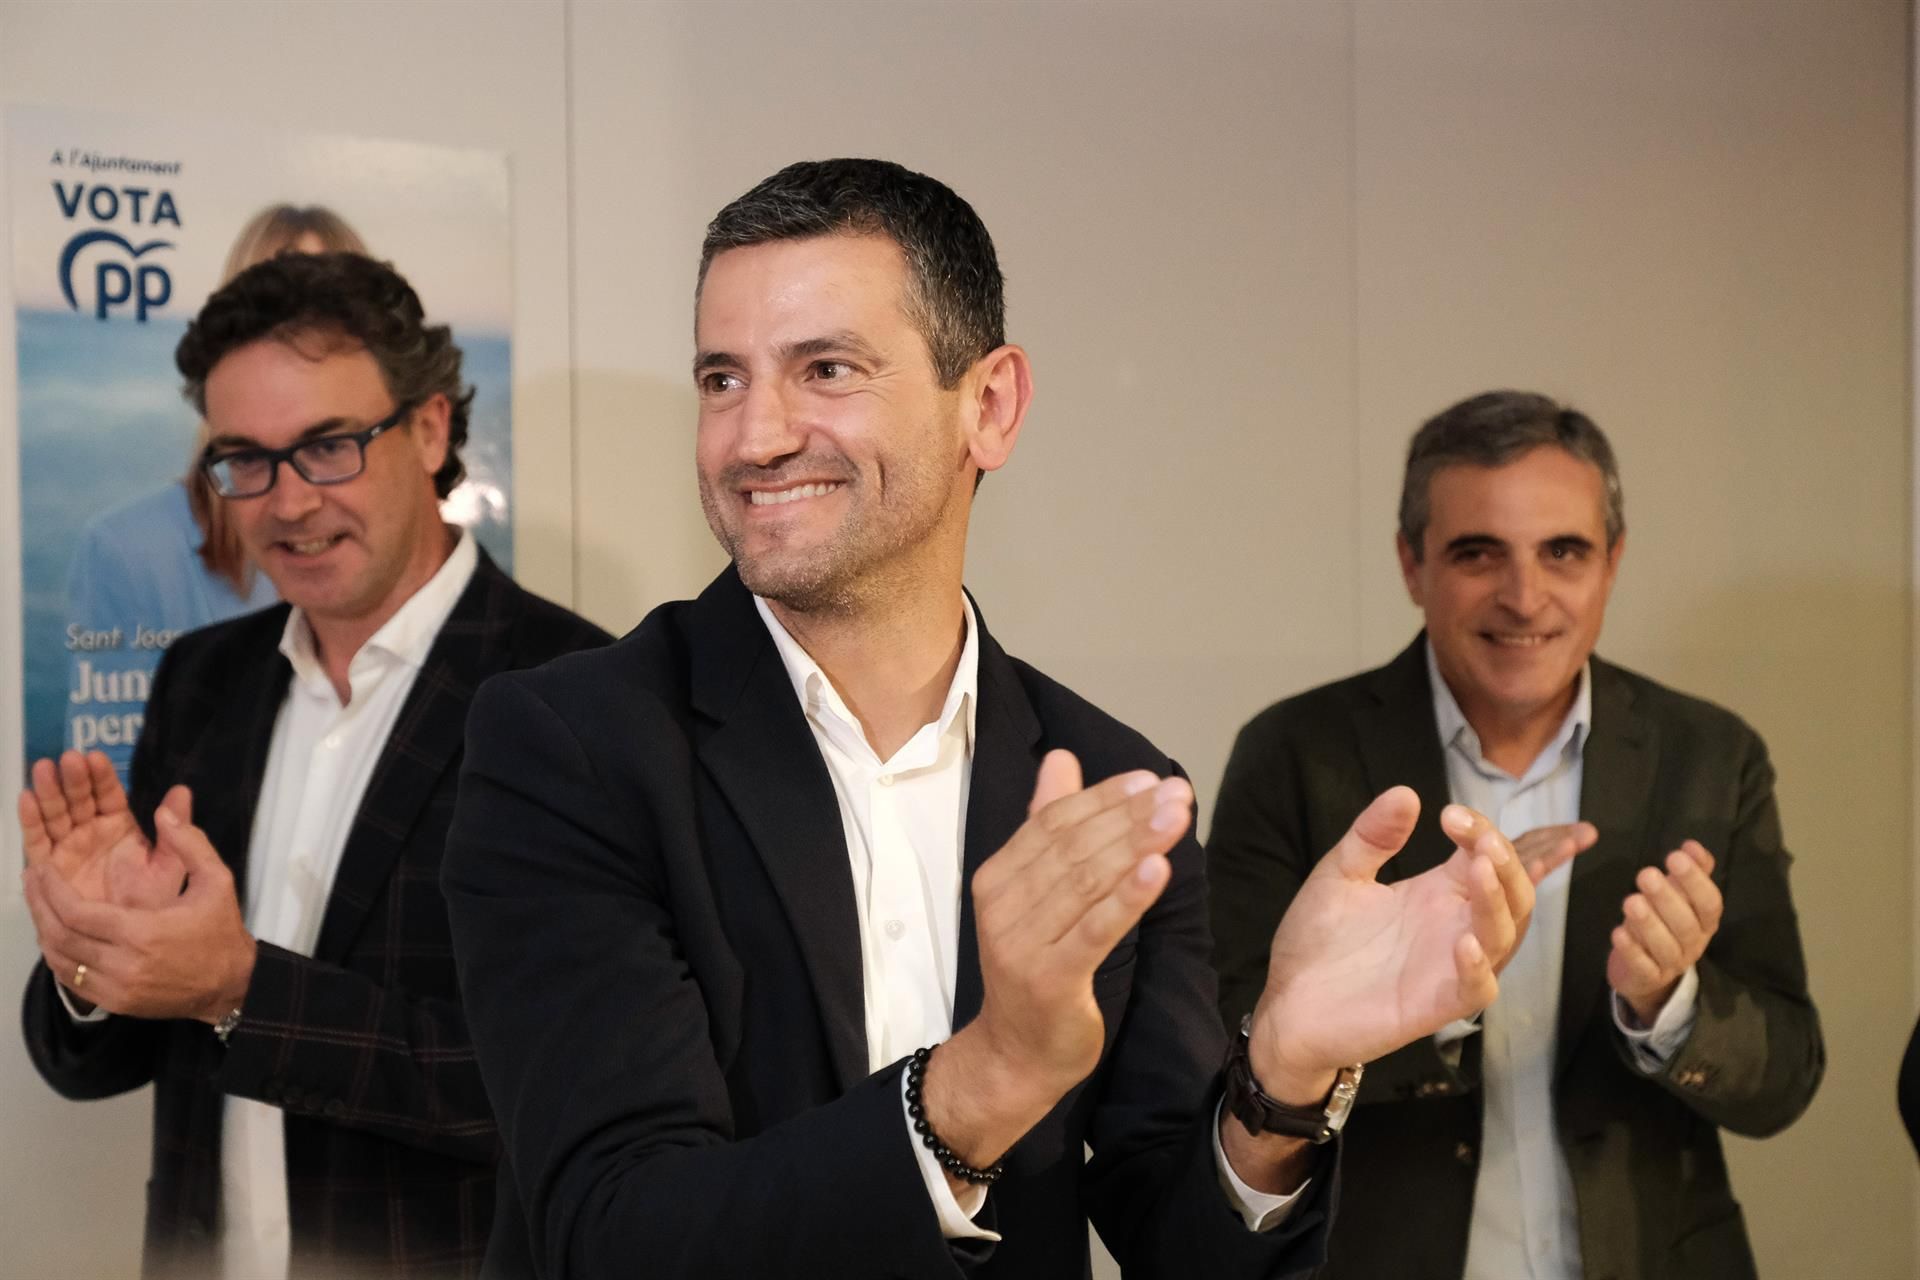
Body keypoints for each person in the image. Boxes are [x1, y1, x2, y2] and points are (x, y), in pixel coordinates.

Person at [443, 159, 1549, 1280]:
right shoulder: (570, 744)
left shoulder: (1113, 782)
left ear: (990, 404)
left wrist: (1284, 1076)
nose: (754, 435)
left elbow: (1188, 1247)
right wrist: (984, 1079)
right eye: (722, 378)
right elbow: (616, 1233)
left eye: (825, 369)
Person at [18, 251, 611, 1280]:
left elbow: (567, 1087)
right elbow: (93, 1059)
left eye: (328, 446)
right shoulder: (205, 679)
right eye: (243, 457)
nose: (286, 502)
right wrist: (95, 954)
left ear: (429, 429)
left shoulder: (578, 693)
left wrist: (239, 988)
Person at [1208, 390, 1824, 1280]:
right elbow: (1230, 1053)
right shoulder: (1298, 756)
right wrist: (1439, 989)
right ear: (1411, 564)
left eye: (1563, 551)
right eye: (1477, 553)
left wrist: (1668, 1006)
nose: (1524, 595)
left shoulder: (1711, 756)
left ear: (1612, 563)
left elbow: (1787, 1077)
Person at [63, 206, 368, 782]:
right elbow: (120, 804)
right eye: (274, 306)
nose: (303, 341)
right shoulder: (128, 550)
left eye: (332, 309)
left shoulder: (429, 583)